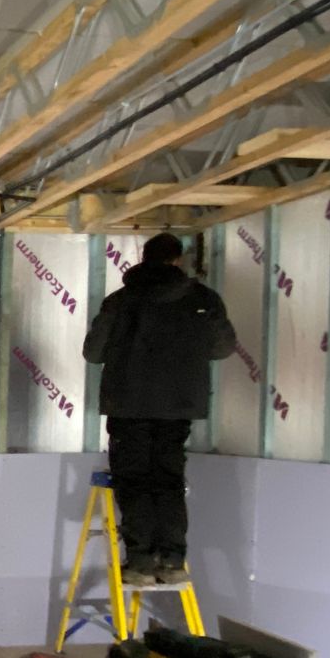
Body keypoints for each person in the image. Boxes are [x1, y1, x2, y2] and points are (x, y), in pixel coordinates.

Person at [82, 233, 236, 584]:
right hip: (179, 404)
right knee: (168, 479)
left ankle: (139, 561)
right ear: (177, 260)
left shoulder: (119, 301)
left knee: (133, 478)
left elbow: (93, 353)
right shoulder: (203, 299)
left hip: (128, 405)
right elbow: (223, 347)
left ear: (143, 258)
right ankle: (171, 560)